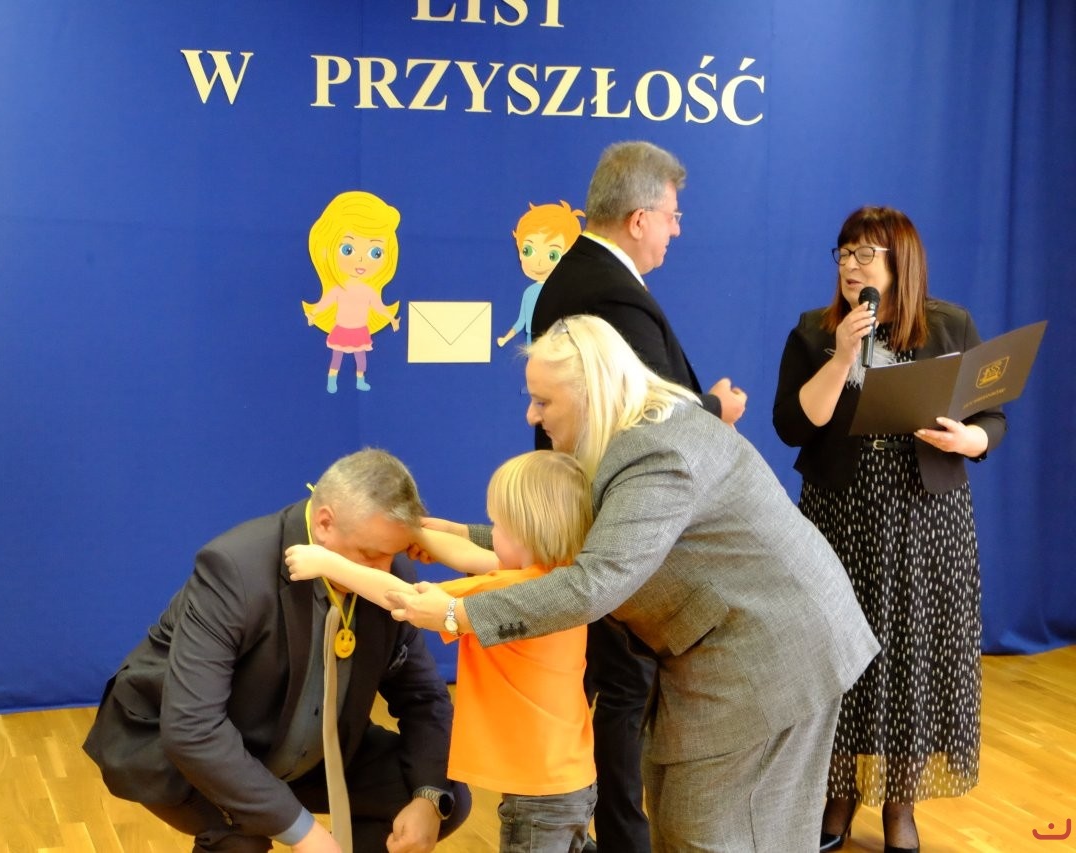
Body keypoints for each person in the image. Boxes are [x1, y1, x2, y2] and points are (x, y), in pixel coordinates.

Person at [390, 315, 879, 851]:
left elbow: (593, 582)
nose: (532, 414)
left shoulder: (655, 452)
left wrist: (457, 615)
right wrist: (454, 534)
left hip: (769, 655)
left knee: (714, 836)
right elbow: (566, 542)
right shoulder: (629, 434)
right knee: (682, 821)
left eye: (543, 401)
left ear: (591, 392)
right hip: (721, 648)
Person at [82, 449, 471, 853]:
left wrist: (428, 798)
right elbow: (192, 729)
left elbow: (424, 698)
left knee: (443, 796)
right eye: (370, 555)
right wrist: (305, 834)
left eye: (394, 554)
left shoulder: (388, 574)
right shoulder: (235, 569)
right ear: (324, 524)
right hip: (184, 748)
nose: (384, 572)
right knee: (241, 838)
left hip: (305, 747)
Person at [526, 139, 744, 852]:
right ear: (640, 217)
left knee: (613, 681)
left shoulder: (583, 274)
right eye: (673, 215)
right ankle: (624, 837)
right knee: (624, 685)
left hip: (598, 508)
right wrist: (714, 410)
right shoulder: (608, 289)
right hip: (615, 515)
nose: (677, 229)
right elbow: (646, 417)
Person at [772, 206, 1006, 853]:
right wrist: (844, 353)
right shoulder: (814, 331)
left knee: (911, 657)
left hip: (926, 517)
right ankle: (837, 795)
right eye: (844, 253)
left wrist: (971, 438)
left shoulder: (950, 325)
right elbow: (793, 425)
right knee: (836, 655)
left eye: (865, 254)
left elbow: (992, 416)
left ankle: (901, 803)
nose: (851, 266)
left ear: (901, 262)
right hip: (840, 512)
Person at [287, 450, 598, 853]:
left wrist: (328, 563)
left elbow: (405, 598)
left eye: (497, 525)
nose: (491, 533)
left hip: (538, 795)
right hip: (571, 781)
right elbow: (474, 556)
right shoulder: (558, 581)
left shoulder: (507, 591)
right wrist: (413, 532)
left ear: (525, 533)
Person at [303, 191, 403, 393]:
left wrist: (391, 319)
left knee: (361, 359)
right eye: (347, 249)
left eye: (375, 253)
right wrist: (313, 314)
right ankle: (332, 381)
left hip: (360, 331)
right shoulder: (339, 289)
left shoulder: (368, 291)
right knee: (337, 357)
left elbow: (378, 307)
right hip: (342, 329)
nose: (361, 261)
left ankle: (360, 381)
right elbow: (325, 303)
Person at [496, 201, 585, 348]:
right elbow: (521, 322)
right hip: (533, 343)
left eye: (553, 255)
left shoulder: (566, 292)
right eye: (528, 251)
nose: (539, 263)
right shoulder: (530, 293)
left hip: (559, 344)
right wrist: (505, 339)